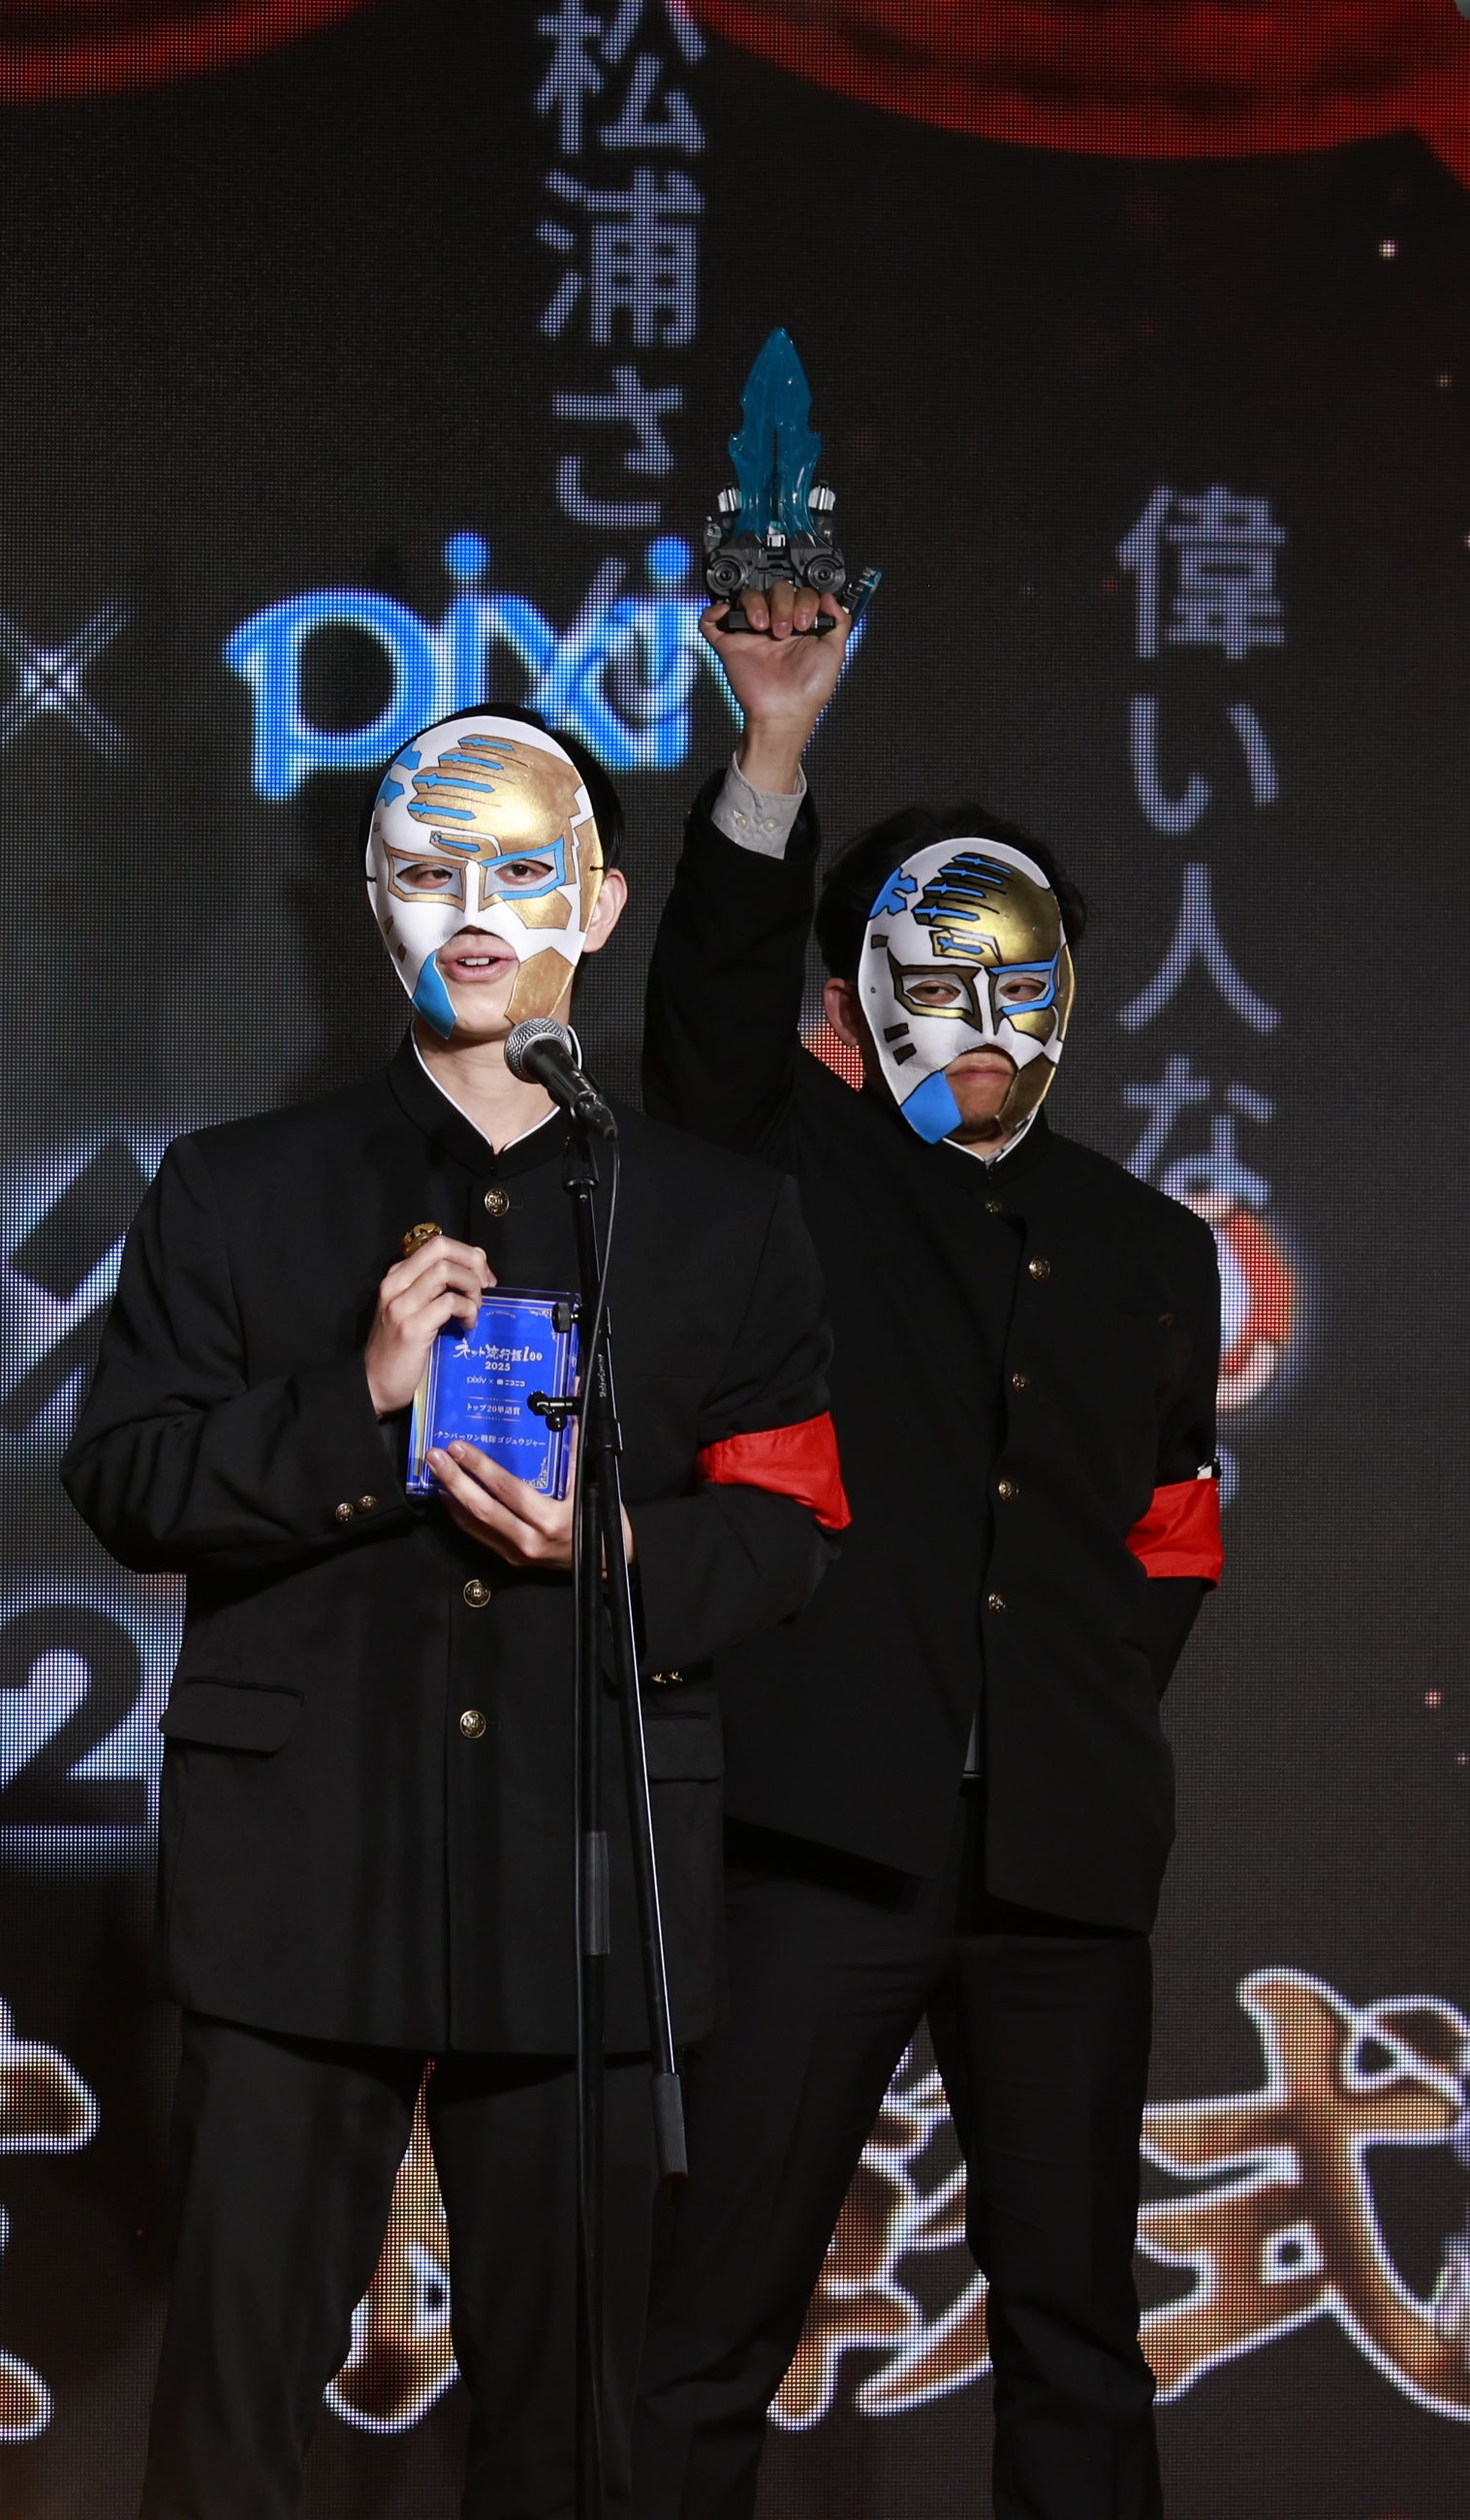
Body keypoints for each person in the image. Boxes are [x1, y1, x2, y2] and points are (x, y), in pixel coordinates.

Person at [63, 706, 848, 2519]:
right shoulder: (236, 1186)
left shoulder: (720, 1218)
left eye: (520, 871)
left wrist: (613, 1551)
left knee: (572, 2428)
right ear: (374, 901)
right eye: (429, 870)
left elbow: (796, 1529)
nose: (474, 910)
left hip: (583, 1872)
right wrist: (357, 1399)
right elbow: (124, 1480)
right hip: (300, 1864)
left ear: (603, 899)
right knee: (232, 2410)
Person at [633, 585, 1222, 2518]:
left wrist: (1051, 1706)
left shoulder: (1151, 1246)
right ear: (851, 997)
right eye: (933, 972)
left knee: (1077, 2338)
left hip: (1061, 1870)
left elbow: (1171, 1543)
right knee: (711, 2323)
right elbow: (706, 1037)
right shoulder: (796, 1170)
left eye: (1016, 975)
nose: (980, 1017)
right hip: (821, 1844)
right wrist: (773, 751)